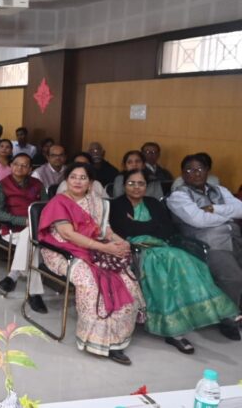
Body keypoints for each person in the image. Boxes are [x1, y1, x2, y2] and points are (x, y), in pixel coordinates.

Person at [110, 169, 240, 348]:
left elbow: (167, 230)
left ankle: (209, 312)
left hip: (162, 246)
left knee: (191, 262)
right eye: (131, 183)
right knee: (167, 263)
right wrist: (149, 226)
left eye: (141, 183)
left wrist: (139, 225)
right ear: (124, 185)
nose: (136, 187)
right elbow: (124, 230)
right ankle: (173, 330)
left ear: (146, 186)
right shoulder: (116, 205)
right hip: (136, 249)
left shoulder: (153, 203)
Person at [38, 163, 145, 365]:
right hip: (63, 251)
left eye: (83, 178)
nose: (78, 181)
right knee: (91, 284)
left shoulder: (97, 202)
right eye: (73, 177)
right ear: (66, 180)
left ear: (90, 183)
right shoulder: (59, 202)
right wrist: (106, 248)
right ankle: (95, 339)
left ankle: (116, 340)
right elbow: (67, 234)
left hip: (95, 248)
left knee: (127, 280)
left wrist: (120, 242)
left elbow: (105, 231)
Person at [166, 154, 242, 312]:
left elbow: (240, 210)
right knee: (234, 278)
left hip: (235, 238)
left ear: (207, 171)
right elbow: (199, 220)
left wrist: (215, 208)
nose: (195, 173)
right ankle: (229, 317)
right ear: (183, 174)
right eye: (189, 170)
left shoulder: (220, 190)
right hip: (206, 244)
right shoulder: (178, 196)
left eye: (199, 169)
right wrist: (228, 217)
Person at [0, 154, 48, 313]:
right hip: (11, 230)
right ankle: (34, 292)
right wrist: (24, 221)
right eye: (16, 164)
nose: (19, 168)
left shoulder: (38, 184)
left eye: (24, 165)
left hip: (38, 229)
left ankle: (13, 276)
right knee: (31, 241)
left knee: (30, 238)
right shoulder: (2, 185)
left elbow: (46, 207)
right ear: (11, 166)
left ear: (30, 169)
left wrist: (36, 223)